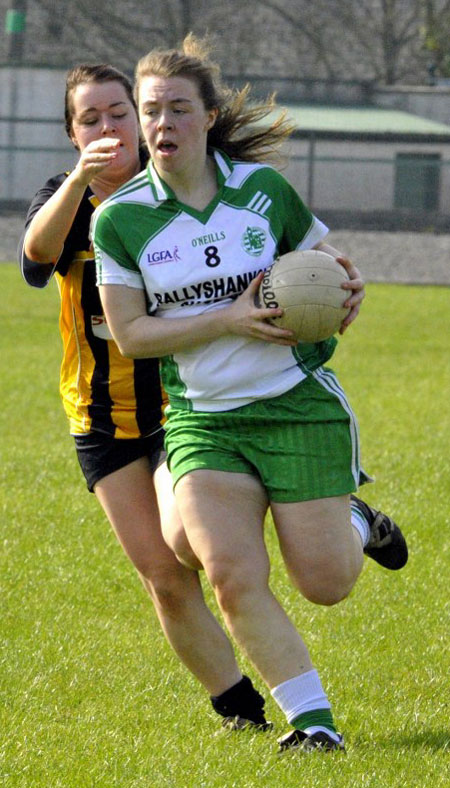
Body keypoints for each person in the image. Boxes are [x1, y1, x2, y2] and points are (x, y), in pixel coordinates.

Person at [93, 35, 408, 753]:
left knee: (326, 582)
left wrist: (342, 287)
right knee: (230, 572)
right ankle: (314, 723)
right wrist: (228, 318)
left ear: (208, 117)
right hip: (206, 421)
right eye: (150, 112)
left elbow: (323, 262)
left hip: (295, 404)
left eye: (177, 108)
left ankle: (356, 524)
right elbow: (134, 336)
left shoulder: (263, 194)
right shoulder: (121, 219)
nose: (161, 124)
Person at [18, 62, 275, 733]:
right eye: (90, 119)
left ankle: (329, 512)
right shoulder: (72, 202)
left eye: (117, 112)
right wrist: (78, 181)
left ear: (140, 118)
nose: (108, 127)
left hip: (182, 406)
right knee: (163, 574)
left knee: (191, 544)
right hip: (100, 419)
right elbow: (34, 259)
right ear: (74, 136)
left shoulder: (183, 189)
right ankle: (239, 710)